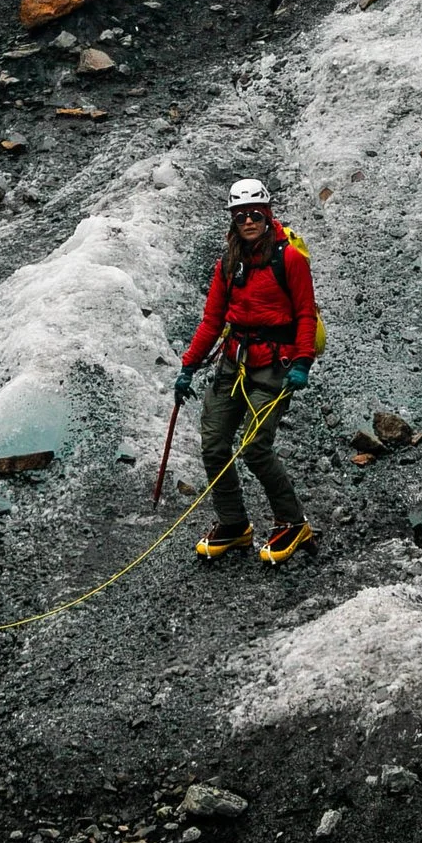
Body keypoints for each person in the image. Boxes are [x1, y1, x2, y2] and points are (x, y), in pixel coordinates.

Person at [174, 178, 319, 563]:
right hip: (233, 360)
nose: (248, 221)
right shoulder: (228, 263)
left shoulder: (289, 259)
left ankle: (293, 522)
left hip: (276, 364)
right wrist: (188, 366)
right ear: (233, 220)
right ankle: (234, 524)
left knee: (255, 448)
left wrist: (303, 362)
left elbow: (306, 313)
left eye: (254, 214)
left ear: (267, 214)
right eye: (240, 216)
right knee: (214, 442)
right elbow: (211, 321)